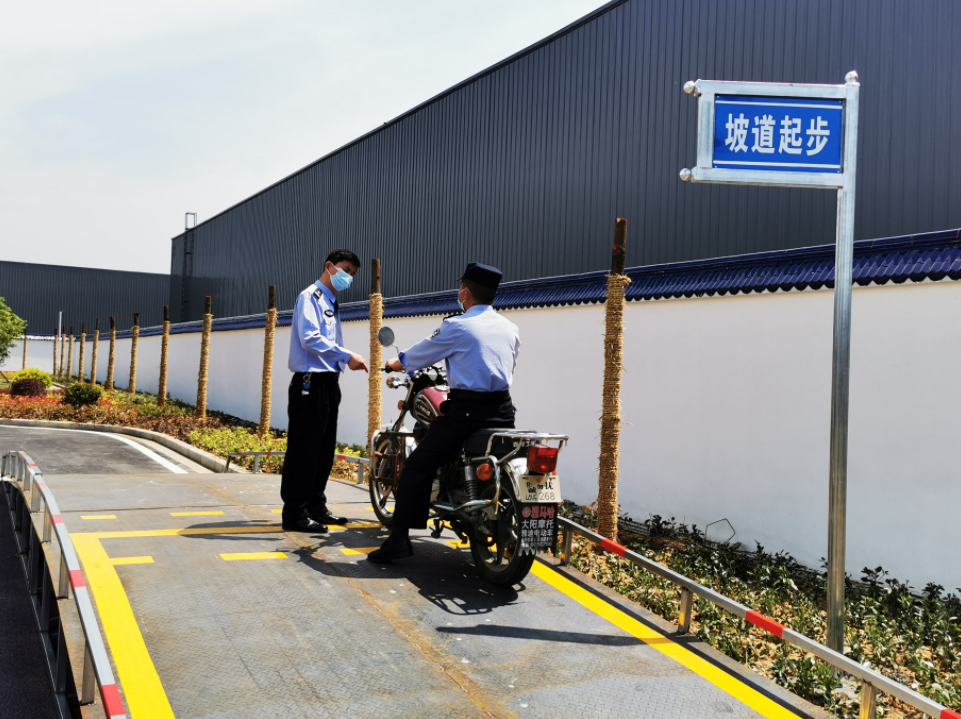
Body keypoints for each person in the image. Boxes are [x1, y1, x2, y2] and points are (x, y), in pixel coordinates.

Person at [368, 262, 520, 563]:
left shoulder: (458, 326)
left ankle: (398, 540)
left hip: (466, 415)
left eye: (460, 288)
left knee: (416, 466)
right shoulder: (510, 328)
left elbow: (421, 353)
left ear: (465, 292)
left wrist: (397, 362)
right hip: (503, 412)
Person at [280, 249, 369, 533]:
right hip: (310, 383)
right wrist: (347, 355)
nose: (348, 276)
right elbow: (309, 338)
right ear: (329, 266)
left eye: (352, 273)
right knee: (305, 450)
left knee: (323, 450)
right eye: (345, 269)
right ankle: (294, 513)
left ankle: (315, 506)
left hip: (328, 382)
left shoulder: (330, 300)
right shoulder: (311, 297)